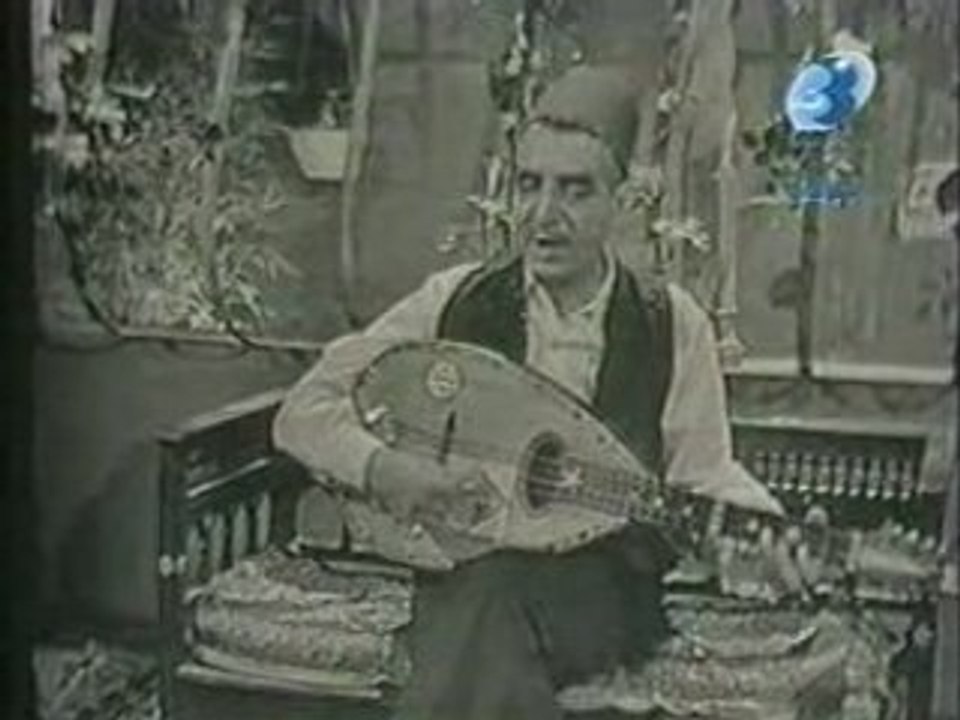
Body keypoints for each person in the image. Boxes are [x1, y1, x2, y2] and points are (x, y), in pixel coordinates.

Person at [273, 65, 782, 720]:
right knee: (491, 597)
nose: (544, 216)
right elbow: (304, 410)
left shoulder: (672, 323)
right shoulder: (454, 300)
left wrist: (769, 532)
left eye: (576, 190)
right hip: (468, 578)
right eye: (529, 184)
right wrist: (383, 468)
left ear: (624, 200)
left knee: (494, 613)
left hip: (606, 595)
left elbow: (703, 474)